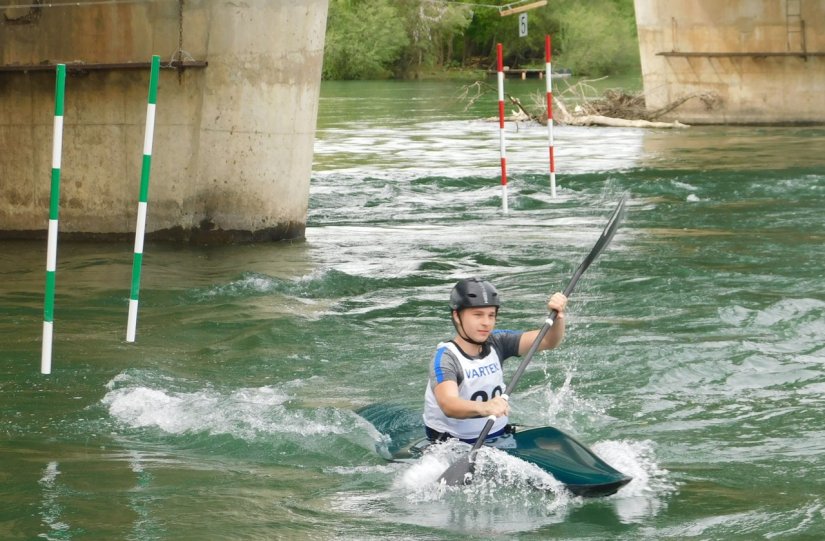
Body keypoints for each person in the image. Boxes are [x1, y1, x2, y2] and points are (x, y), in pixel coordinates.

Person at [423, 277, 567, 443]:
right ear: (457, 315)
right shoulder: (446, 358)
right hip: (451, 444)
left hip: (500, 436)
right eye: (478, 315)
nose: (486, 323)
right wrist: (486, 407)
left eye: (491, 315)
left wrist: (558, 317)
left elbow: (548, 341)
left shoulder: (498, 342)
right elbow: (449, 404)